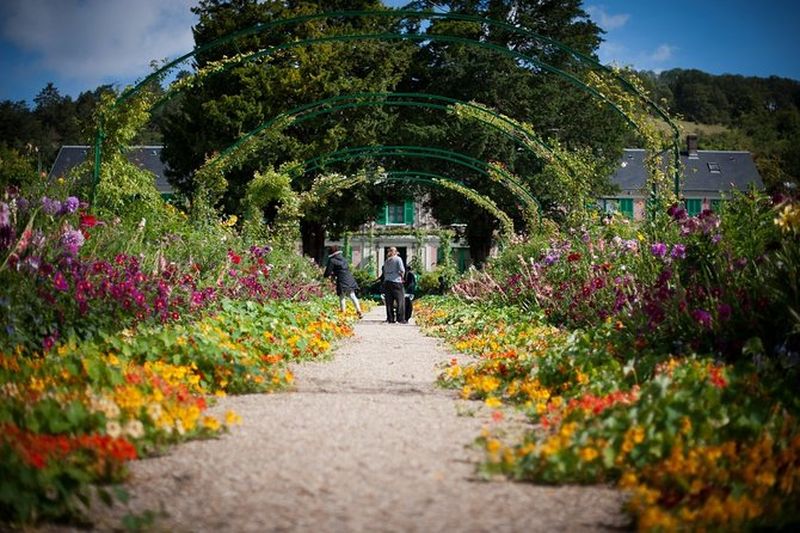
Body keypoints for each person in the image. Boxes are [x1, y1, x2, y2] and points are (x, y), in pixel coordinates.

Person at [323, 245, 363, 318]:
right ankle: (359, 310)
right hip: (349, 278)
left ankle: (343, 313)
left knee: (342, 296)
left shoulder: (332, 260)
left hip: (341, 279)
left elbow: (327, 272)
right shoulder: (344, 259)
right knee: (352, 295)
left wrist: (326, 276)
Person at [381, 247, 405, 323]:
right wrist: (402, 277)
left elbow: (384, 271)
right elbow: (402, 270)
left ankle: (390, 318)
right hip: (396, 281)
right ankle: (400, 318)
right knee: (400, 301)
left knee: (389, 302)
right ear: (395, 252)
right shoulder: (398, 259)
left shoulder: (386, 261)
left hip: (387, 282)